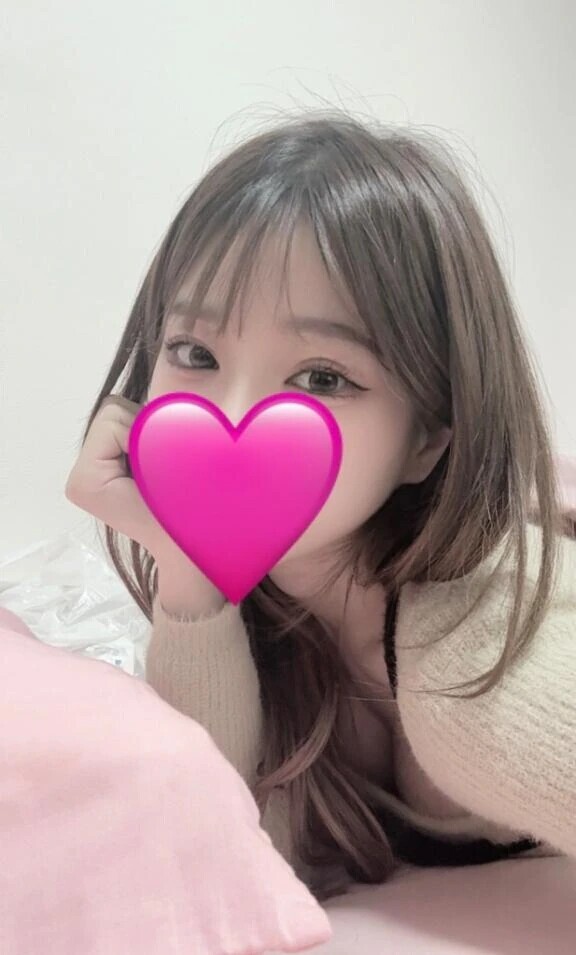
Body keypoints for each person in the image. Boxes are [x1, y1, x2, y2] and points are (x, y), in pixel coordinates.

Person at [65, 110, 576, 903]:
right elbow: (214, 827)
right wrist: (188, 571)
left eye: (322, 378)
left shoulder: (475, 675)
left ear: (429, 438)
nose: (232, 415)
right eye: (195, 352)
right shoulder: (262, 605)